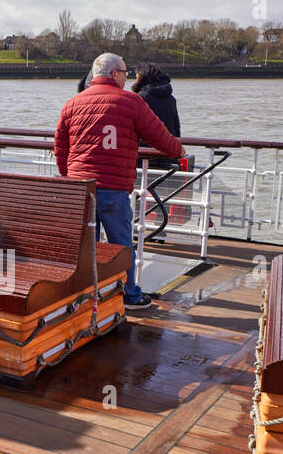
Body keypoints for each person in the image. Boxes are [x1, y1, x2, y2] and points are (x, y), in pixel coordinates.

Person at [54, 52, 186, 309]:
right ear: (114, 74)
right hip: (113, 188)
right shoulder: (130, 102)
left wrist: (67, 178)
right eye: (125, 73)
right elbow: (159, 134)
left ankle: (84, 295)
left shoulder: (73, 103)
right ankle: (129, 296)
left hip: (81, 188)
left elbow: (61, 146)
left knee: (85, 247)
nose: (127, 78)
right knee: (121, 245)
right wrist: (177, 150)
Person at [131, 63, 180, 137]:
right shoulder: (171, 99)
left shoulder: (139, 98)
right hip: (168, 145)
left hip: (146, 146)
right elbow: (176, 128)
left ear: (141, 77)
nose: (135, 80)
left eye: (136, 77)